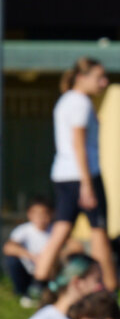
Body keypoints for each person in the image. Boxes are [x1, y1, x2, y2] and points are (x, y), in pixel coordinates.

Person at [33, 58, 114, 291]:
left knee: (61, 229)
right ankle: (108, 287)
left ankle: (37, 285)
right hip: (83, 175)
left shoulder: (66, 101)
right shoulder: (80, 102)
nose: (104, 82)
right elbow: (78, 143)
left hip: (63, 174)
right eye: (99, 77)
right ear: (81, 77)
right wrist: (87, 183)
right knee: (98, 231)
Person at [4, 196, 58, 304]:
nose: (40, 217)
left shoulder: (56, 230)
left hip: (50, 271)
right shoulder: (23, 230)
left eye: (44, 213)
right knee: (11, 260)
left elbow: (74, 246)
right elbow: (8, 248)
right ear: (29, 214)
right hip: (29, 269)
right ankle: (21, 291)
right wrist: (33, 256)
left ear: (51, 214)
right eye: (36, 214)